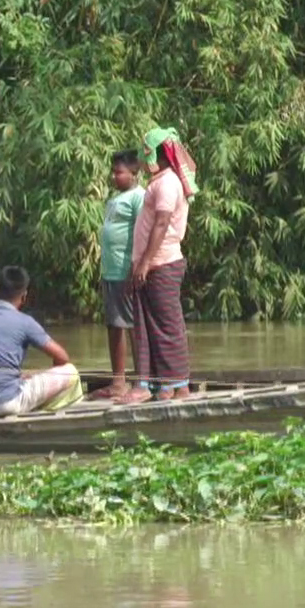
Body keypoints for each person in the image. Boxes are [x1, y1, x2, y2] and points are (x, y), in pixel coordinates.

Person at [121, 127, 196, 404]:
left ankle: (177, 386)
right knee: (147, 326)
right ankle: (154, 385)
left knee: (167, 326)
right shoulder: (159, 182)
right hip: (150, 265)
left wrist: (145, 262)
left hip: (162, 264)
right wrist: (139, 263)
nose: (142, 159)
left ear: (158, 154)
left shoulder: (167, 184)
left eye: (146, 152)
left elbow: (162, 223)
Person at [0, 265, 82, 418]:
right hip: (5, 403)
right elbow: (62, 357)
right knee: (70, 371)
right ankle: (47, 411)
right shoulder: (25, 322)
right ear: (24, 296)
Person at [92, 150, 146, 399]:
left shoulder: (138, 197)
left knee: (133, 326)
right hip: (110, 271)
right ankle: (118, 381)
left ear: (134, 173)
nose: (114, 176)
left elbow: (141, 233)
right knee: (114, 325)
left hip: (126, 271)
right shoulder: (115, 199)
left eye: (119, 172)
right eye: (112, 172)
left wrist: (135, 267)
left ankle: (142, 379)